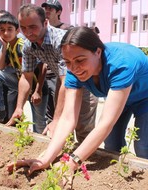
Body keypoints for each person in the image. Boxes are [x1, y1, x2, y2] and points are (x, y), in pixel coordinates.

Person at [7, 26, 148, 178]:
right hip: (121, 93)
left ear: (98, 52)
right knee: (112, 144)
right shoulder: (73, 71)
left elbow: (106, 123)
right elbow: (68, 118)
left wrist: (74, 161)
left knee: (143, 148)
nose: (74, 68)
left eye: (80, 60)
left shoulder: (121, 63)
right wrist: (46, 159)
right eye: (68, 62)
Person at [0, 13, 48, 133]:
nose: (6, 33)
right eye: (2, 30)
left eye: (9, 29)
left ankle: (42, 148)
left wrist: (38, 91)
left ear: (17, 30)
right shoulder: (9, 47)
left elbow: (43, 66)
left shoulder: (23, 45)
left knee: (39, 124)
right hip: (22, 85)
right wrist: (4, 47)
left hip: (37, 88)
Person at [41, 0, 98, 142]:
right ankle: (64, 149)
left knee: (82, 123)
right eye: (45, 8)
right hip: (59, 80)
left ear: (58, 12)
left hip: (80, 80)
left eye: (51, 9)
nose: (47, 11)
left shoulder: (68, 30)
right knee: (60, 118)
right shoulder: (42, 33)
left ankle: (83, 155)